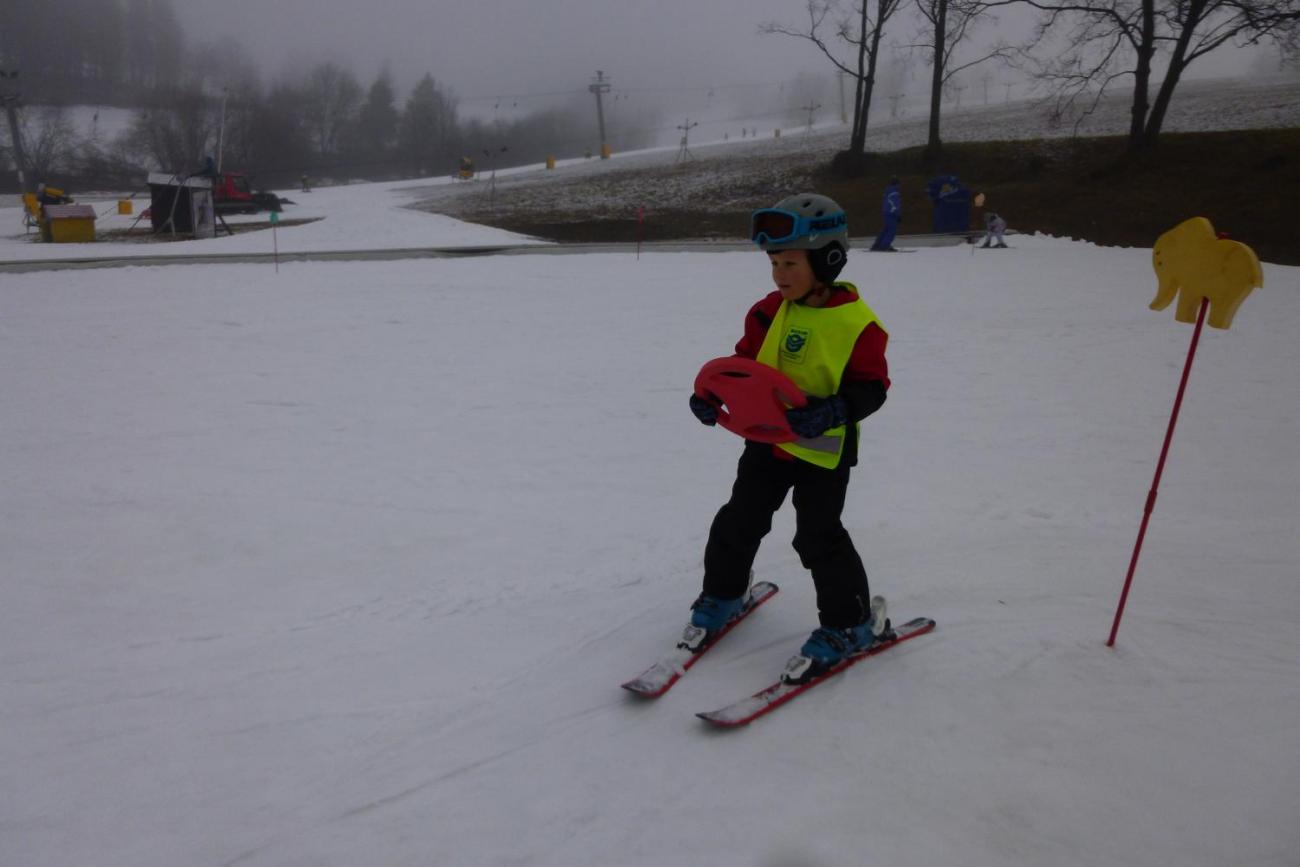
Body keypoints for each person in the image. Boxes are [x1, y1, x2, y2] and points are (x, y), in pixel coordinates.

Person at [687, 193, 892, 684]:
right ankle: (725, 592)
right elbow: (742, 368)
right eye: (774, 263)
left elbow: (874, 387)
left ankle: (851, 622)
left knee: (817, 536)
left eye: (791, 263)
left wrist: (837, 409)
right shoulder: (766, 311)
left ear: (828, 260)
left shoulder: (857, 324)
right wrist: (711, 397)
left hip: (823, 451)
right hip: (766, 440)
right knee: (740, 519)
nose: (779, 274)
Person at [870, 176, 902, 251]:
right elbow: (895, 205)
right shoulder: (895, 192)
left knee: (885, 229)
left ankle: (877, 245)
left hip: (885, 212)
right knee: (891, 230)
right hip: (891, 213)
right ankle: (884, 245)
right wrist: (898, 215)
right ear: (897, 184)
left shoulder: (888, 191)